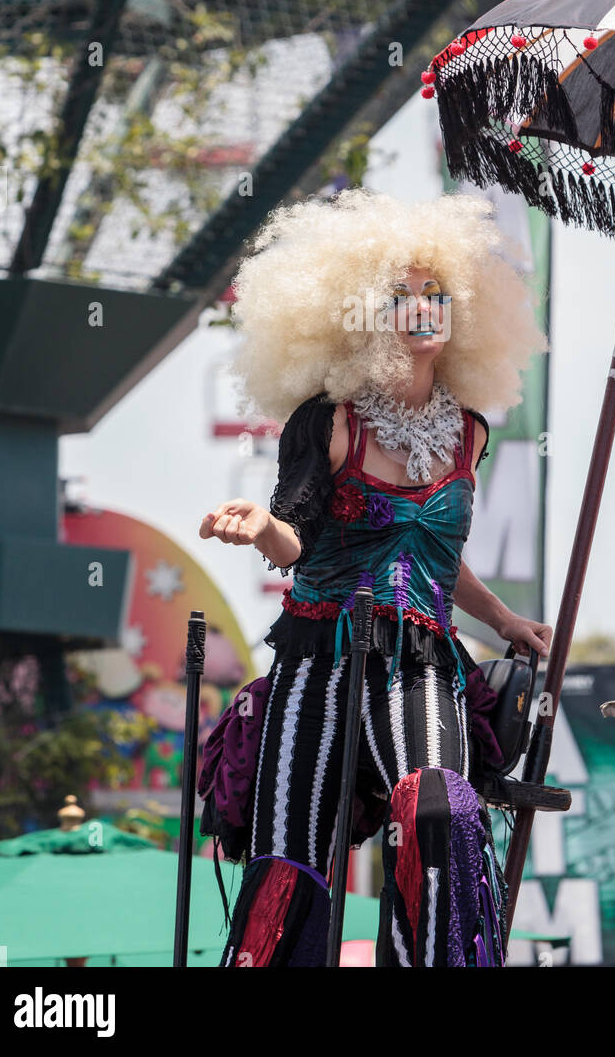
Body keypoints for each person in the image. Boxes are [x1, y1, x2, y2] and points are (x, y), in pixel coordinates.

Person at [199, 187, 551, 966]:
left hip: (423, 663)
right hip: (320, 655)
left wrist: (503, 621)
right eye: (401, 295)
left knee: (439, 814)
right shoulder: (327, 423)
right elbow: (298, 537)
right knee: (288, 857)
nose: (424, 308)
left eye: (437, 294)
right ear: (358, 315)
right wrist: (261, 529)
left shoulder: (470, 433)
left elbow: (432, 554)